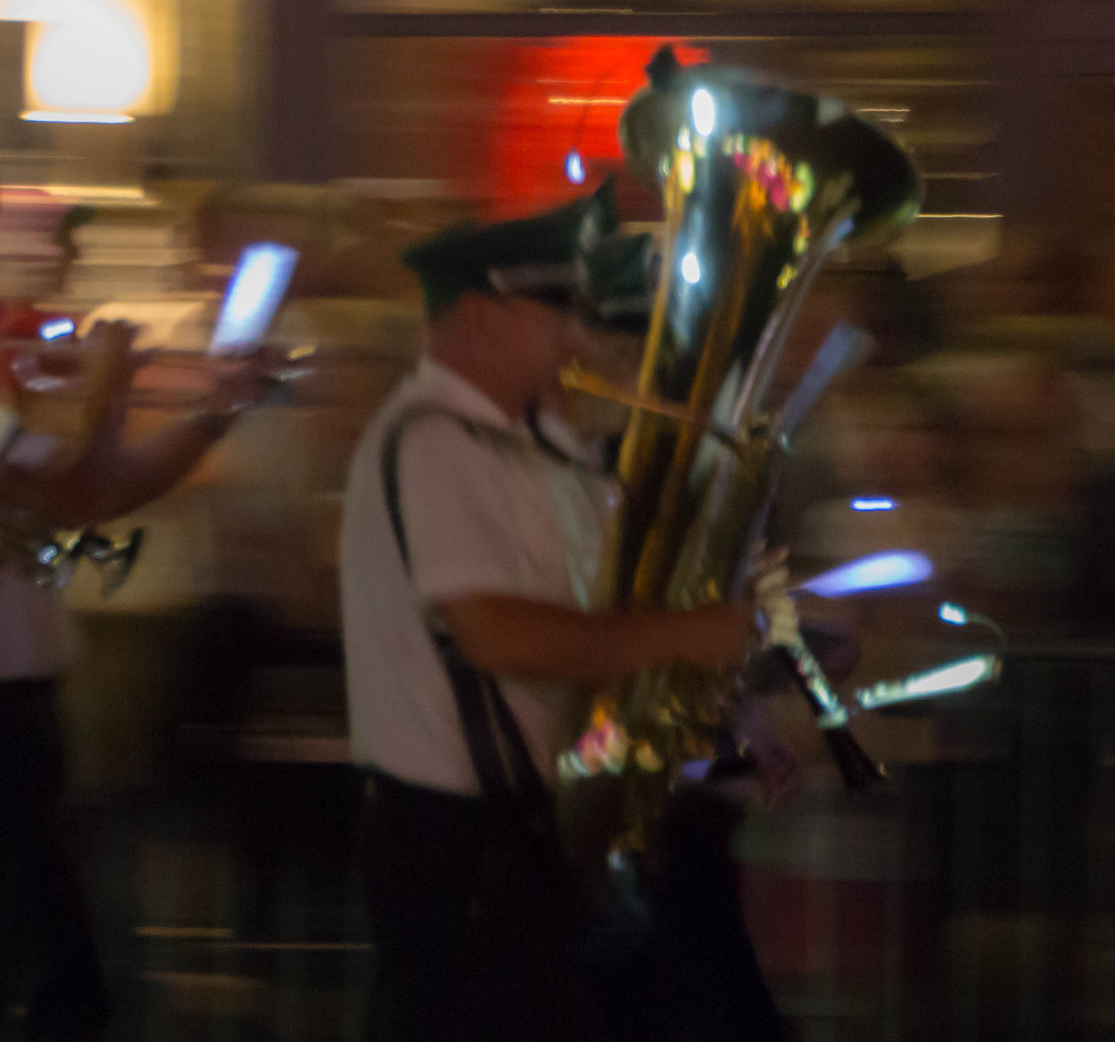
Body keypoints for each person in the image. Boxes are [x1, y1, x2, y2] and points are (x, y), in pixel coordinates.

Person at [339, 186, 795, 1042]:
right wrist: (685, 636)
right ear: (484, 319)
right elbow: (496, 632)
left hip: (516, 835)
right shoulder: (438, 443)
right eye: (556, 315)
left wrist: (726, 698)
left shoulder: (518, 451)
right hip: (456, 841)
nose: (575, 339)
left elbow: (593, 624)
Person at [0, 262, 274, 1042]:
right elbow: (82, 494)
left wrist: (218, 410)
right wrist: (108, 391)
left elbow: (106, 487)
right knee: (55, 988)